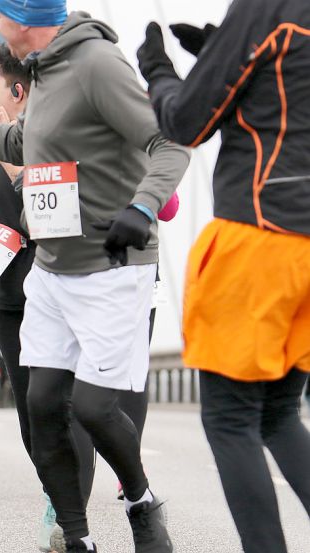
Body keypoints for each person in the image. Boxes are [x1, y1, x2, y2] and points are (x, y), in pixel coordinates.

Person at [0, 1, 190, 550]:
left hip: (109, 266)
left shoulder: (96, 63)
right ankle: (75, 538)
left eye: (1, 15)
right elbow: (21, 145)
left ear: (25, 19)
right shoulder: (46, 72)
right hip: (52, 273)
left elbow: (168, 143)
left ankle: (141, 504)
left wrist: (143, 207)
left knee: (94, 408)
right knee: (41, 408)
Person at [137, 2, 310, 550]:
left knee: (231, 418)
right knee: (279, 414)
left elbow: (186, 121)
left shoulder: (267, 7)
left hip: (259, 233)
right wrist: (217, 48)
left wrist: (158, 71)